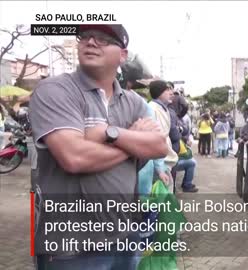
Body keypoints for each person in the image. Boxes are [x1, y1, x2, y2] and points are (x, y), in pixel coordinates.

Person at [30, 24, 168, 270]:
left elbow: (158, 146)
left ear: (123, 55)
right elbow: (73, 157)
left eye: (104, 39)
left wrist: (108, 133)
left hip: (125, 237)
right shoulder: (56, 90)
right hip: (70, 248)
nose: (92, 42)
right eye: (85, 37)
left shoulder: (134, 101)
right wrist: (132, 143)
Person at [148, 80, 179, 192]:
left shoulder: (163, 108)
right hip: (160, 162)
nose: (171, 92)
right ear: (158, 92)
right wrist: (160, 169)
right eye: (167, 90)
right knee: (160, 196)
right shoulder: (152, 109)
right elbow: (154, 140)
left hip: (165, 160)